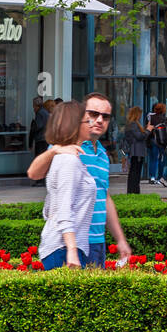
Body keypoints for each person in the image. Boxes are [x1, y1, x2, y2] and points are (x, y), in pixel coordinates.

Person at [29, 92, 132, 268]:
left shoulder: (102, 154)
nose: (99, 120)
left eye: (105, 116)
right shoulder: (66, 148)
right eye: (93, 114)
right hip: (72, 239)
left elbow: (104, 197)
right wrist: (53, 151)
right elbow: (34, 173)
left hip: (95, 241)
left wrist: (120, 239)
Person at [38, 101, 97, 271]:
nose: (92, 124)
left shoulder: (69, 158)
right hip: (63, 250)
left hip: (65, 247)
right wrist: (71, 249)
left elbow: (49, 209)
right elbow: (63, 210)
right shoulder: (69, 161)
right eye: (88, 121)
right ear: (74, 126)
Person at [120, 106, 149, 195]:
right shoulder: (133, 124)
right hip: (136, 151)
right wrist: (148, 130)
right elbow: (139, 137)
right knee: (135, 172)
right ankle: (134, 191)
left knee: (134, 171)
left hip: (135, 151)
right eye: (139, 114)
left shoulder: (131, 124)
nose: (140, 116)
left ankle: (133, 191)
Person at [146, 102, 167, 187]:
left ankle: (152, 176)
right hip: (161, 141)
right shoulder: (164, 118)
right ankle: (160, 177)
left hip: (153, 140)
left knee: (153, 159)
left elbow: (148, 128)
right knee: (161, 160)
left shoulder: (151, 117)